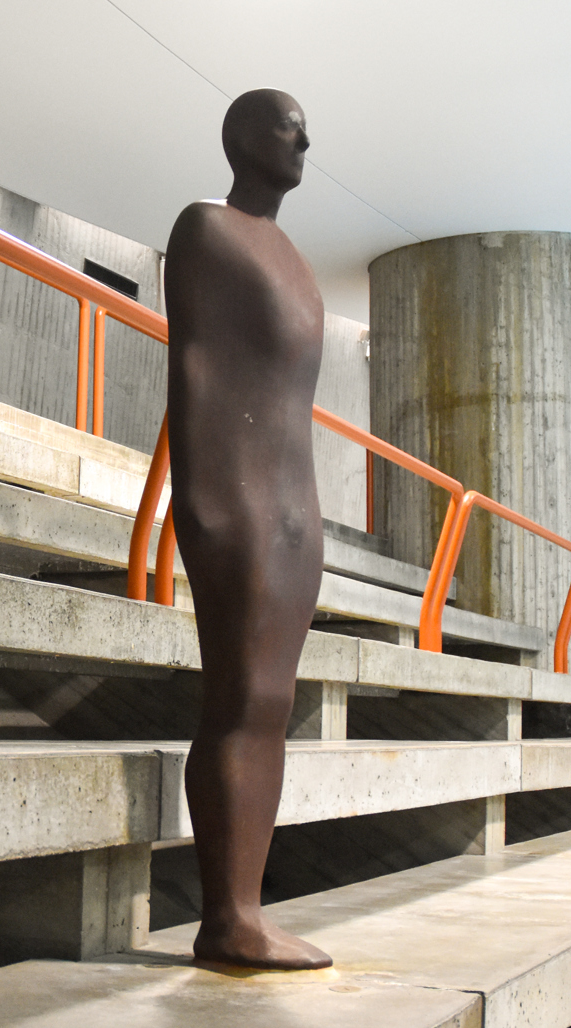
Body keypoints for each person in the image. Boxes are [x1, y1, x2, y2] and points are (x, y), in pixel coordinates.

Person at [165, 88, 333, 970]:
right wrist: (202, 498)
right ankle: (226, 918)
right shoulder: (206, 229)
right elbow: (196, 369)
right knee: (238, 697)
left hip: (294, 505)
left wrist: (306, 514)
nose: (304, 139)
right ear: (240, 138)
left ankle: (245, 912)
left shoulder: (294, 258)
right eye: (286, 124)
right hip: (236, 498)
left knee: (271, 702)